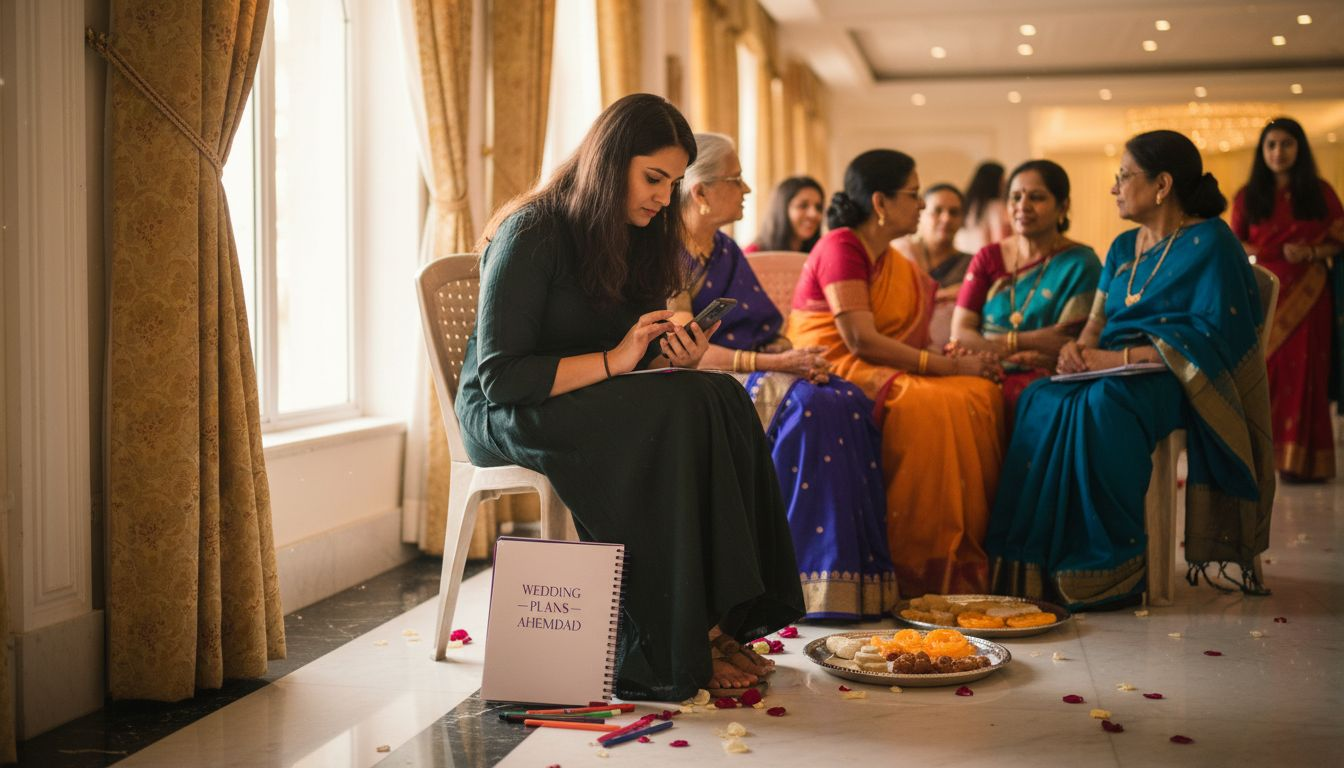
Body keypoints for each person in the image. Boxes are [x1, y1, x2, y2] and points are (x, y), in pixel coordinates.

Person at [455, 94, 804, 700]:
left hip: (591, 390)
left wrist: (666, 354)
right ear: (610, 163)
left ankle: (718, 618)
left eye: (673, 183)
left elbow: (625, 350)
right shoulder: (531, 229)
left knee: (717, 395)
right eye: (653, 178)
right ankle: (677, 637)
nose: (664, 197)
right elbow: (502, 377)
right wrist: (617, 362)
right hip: (510, 407)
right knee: (678, 412)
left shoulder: (637, 233)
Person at [986, 130, 1276, 610]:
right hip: (1111, 370)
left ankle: (1108, 565)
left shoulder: (1212, 241)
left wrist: (1114, 360)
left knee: (1105, 404)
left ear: (1162, 185)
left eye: (1123, 176)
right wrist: (1077, 350)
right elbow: (1097, 322)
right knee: (1039, 396)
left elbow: (1213, 339)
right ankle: (1033, 561)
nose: (1114, 187)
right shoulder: (1124, 247)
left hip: (1176, 379)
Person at [673, 133, 897, 620]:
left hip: (754, 366)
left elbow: (764, 330)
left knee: (844, 396)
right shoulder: (668, 252)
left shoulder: (725, 250)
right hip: (702, 378)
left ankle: (855, 583)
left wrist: (795, 356)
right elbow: (689, 352)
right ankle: (799, 582)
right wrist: (775, 364)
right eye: (735, 180)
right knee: (808, 406)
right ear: (701, 192)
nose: (748, 189)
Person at [787, 149, 1006, 597]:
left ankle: (962, 557)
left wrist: (953, 358)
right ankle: (918, 564)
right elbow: (859, 340)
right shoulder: (842, 246)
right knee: (933, 405)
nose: (922, 205)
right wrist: (948, 366)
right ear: (880, 202)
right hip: (837, 366)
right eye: (913, 194)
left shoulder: (889, 258)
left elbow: (902, 340)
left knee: (978, 393)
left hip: (877, 363)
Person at [1231, 117, 1344, 482]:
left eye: (1286, 144)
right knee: (1269, 373)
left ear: (1299, 148)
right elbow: (1234, 244)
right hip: (1266, 293)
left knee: (1309, 372)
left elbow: (1338, 241)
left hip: (1311, 294)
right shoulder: (1248, 196)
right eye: (1271, 144)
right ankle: (1269, 459)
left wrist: (1310, 252)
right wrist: (1262, 250)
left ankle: (1307, 463)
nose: (1278, 151)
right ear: (1262, 151)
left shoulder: (1320, 192)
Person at [949, 160, 1101, 412]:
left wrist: (992, 341)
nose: (1023, 206)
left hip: (1049, 378)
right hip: (983, 367)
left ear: (1063, 206)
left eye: (1037, 197)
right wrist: (1019, 344)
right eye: (1015, 197)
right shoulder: (988, 257)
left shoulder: (1081, 263)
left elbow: (1063, 345)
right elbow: (961, 331)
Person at [893, 183, 974, 350]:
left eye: (954, 212)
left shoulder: (972, 264)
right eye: (937, 211)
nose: (946, 218)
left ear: (962, 219)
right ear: (920, 214)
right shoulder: (901, 253)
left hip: (950, 351)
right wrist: (950, 293)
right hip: (898, 347)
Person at [747, 176, 826, 254]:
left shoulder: (820, 253)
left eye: (818, 207)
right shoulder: (753, 254)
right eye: (803, 206)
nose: (814, 214)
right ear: (781, 209)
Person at [955, 161, 1011, 255]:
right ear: (995, 182)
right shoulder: (995, 206)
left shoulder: (966, 205)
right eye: (1002, 180)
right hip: (985, 258)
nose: (1004, 184)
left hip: (964, 257)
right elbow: (1000, 240)